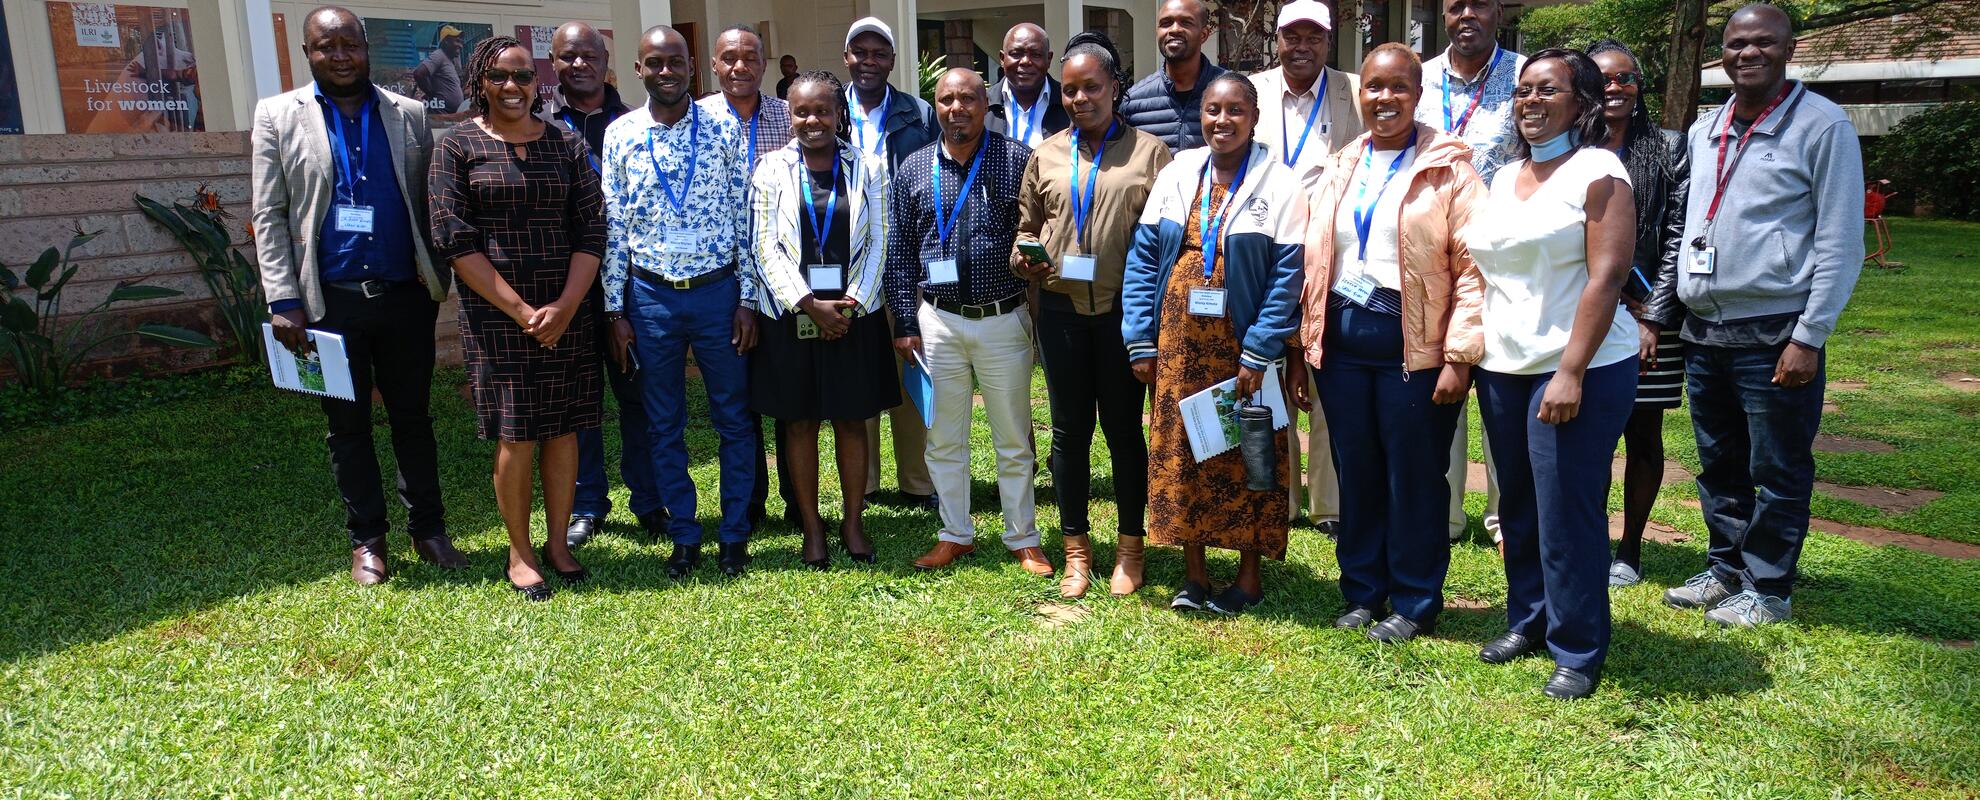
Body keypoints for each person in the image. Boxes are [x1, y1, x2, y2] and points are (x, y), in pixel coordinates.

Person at [1658, 4, 1863, 626]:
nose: (1749, 53)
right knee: (1719, 459)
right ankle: (1726, 569)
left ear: (1788, 49)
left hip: (1776, 331)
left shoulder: (1822, 127)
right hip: (1705, 328)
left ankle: (1770, 587)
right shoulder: (1707, 128)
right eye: (1737, 43)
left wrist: (1810, 336)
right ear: (1721, 51)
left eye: (1763, 43)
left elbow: (1840, 241)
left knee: (1776, 464)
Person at [251, 6, 464, 587]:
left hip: (403, 295)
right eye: (326, 47)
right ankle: (367, 540)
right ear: (308, 52)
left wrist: (437, 274)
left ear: (366, 47)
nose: (340, 55)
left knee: (413, 418)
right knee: (346, 426)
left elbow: (429, 200)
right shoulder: (276, 116)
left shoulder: (410, 114)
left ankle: (429, 530)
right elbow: (269, 215)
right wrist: (282, 298)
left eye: (349, 44)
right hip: (326, 305)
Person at [1461, 48, 1638, 700]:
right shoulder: (1506, 177)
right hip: (1504, 367)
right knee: (1521, 509)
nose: (1531, 101)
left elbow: (1609, 275)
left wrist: (1570, 371)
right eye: (1524, 90)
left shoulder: (1599, 170)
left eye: (1549, 90)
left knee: (1568, 513)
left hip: (1577, 368)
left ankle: (1579, 647)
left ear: (1582, 102)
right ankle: (1530, 620)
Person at [1297, 43, 1485, 641]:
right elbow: (1317, 260)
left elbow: (1474, 270)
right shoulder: (1342, 163)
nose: (1385, 99)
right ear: (1361, 93)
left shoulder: (1450, 168)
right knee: (1358, 472)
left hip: (1415, 348)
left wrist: (1459, 356)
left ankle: (1414, 599)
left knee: (1416, 475)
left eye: (1398, 88)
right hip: (1344, 346)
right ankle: (1362, 591)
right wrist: (1308, 344)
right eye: (1374, 87)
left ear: (1418, 94)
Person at [429, 36, 606, 601]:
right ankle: (520, 552)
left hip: (568, 310)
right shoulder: (456, 146)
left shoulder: (565, 144)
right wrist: (525, 311)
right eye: (500, 77)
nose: (513, 87)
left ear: (538, 83)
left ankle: (558, 544)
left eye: (524, 77)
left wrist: (567, 305)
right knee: (517, 432)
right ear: (480, 80)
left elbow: (591, 228)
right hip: (498, 316)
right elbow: (454, 238)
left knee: (563, 428)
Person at [1123, 72, 1306, 615]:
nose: (1221, 121)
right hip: (1179, 343)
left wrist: (1261, 350)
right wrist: (1140, 339)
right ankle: (1195, 574)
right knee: (1186, 451)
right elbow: (1143, 260)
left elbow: (1287, 277)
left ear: (1253, 117)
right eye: (1211, 110)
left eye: (1234, 111)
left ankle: (1248, 577)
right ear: (1200, 115)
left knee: (1249, 452)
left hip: (1242, 346)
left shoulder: (1280, 183)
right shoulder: (1179, 173)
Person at [1014, 31, 1173, 598]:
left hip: (1121, 316)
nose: (1080, 99)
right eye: (1071, 90)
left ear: (1115, 88)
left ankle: (1131, 549)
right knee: (1069, 433)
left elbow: (1166, 243)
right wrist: (1024, 254)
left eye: (1092, 88)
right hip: (1059, 312)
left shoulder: (1152, 154)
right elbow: (1028, 228)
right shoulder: (1047, 153)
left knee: (1125, 433)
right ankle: (1076, 549)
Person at [599, 25, 758, 580]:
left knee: (733, 419)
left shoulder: (723, 126)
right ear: (637, 69)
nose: (665, 72)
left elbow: (746, 216)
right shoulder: (619, 134)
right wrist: (615, 312)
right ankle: (685, 534)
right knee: (661, 422)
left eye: (675, 62)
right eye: (654, 63)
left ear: (691, 68)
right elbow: (615, 226)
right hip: (650, 298)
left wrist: (748, 300)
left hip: (718, 295)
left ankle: (734, 534)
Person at [886, 69, 1053, 576]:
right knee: (943, 435)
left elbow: (1036, 231)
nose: (957, 108)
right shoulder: (914, 168)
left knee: (1012, 434)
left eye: (968, 99)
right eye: (946, 99)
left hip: (1003, 317)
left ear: (987, 104)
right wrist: (903, 322)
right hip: (937, 320)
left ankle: (1022, 536)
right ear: (934, 106)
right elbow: (899, 252)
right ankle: (955, 533)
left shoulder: (1016, 160)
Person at [747, 70, 896, 569]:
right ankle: (812, 527)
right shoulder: (769, 169)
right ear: (789, 115)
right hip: (793, 315)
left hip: (855, 314)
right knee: (800, 422)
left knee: (853, 420)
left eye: (822, 110)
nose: (812, 120)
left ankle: (853, 522)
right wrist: (808, 302)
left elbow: (880, 238)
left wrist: (851, 303)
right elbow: (764, 245)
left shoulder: (870, 167)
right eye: (801, 111)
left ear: (839, 114)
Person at [1248, 0, 1365, 539]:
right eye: (1291, 36)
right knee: (1268, 375)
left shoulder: (1355, 91)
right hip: (1268, 253)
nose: (1302, 46)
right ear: (1276, 40)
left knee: (1325, 378)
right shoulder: (1250, 89)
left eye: (1313, 37)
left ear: (1328, 40)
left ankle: (1332, 505)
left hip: (1333, 257)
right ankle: (1282, 498)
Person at [538, 21, 650, 550]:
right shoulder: (537, 128)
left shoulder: (637, 124)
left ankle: (649, 500)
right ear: (553, 64)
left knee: (639, 396)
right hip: (568, 289)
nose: (578, 64)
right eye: (567, 56)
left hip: (631, 286)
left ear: (606, 60)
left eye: (588, 55)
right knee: (581, 403)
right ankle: (587, 504)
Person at [1417, 0, 1525, 547]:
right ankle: (1445, 513)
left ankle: (1506, 517)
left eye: (1478, 4)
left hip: (1506, 261)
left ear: (1498, 13)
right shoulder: (1419, 76)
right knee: (1444, 384)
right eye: (1455, 5)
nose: (1466, 15)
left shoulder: (1524, 78)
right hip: (1434, 262)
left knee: (1503, 391)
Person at [1587, 39, 1689, 588]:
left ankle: (1630, 549)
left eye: (1626, 78)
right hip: (1588, 308)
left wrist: (1652, 314)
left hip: (1651, 314)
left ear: (1639, 86)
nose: (1615, 88)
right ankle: (1592, 537)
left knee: (1642, 431)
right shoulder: (1571, 151)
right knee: (1591, 432)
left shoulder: (1669, 148)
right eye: (1604, 79)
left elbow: (1678, 234)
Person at [698, 23, 799, 531]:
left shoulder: (789, 115)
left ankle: (797, 498)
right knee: (739, 393)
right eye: (729, 58)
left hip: (785, 274)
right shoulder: (694, 120)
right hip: (722, 280)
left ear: (764, 63)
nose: (740, 67)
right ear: (714, 65)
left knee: (784, 387)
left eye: (750, 58)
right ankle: (751, 498)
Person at [842, 17, 941, 509]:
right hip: (845, 261)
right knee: (858, 370)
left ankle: (917, 482)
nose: (869, 61)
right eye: (860, 52)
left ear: (893, 62)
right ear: (847, 58)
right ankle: (864, 482)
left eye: (879, 53)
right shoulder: (830, 109)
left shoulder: (918, 113)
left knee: (909, 361)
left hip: (904, 254)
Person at [1124, 0, 1228, 152]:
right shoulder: (1134, 101)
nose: (1174, 29)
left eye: (1186, 22)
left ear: (1204, 35)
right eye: (1166, 23)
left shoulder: (1232, 93)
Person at [987, 23, 1069, 148]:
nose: (1025, 62)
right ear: (1002, 58)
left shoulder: (1069, 104)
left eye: (1036, 55)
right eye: (1016, 54)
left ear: (1049, 59)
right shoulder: (983, 106)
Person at [412, 24, 466, 113]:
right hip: (441, 114)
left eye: (461, 42)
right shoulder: (439, 55)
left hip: (450, 115)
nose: (460, 46)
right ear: (446, 42)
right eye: (457, 41)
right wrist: (431, 94)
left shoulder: (449, 60)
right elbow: (419, 73)